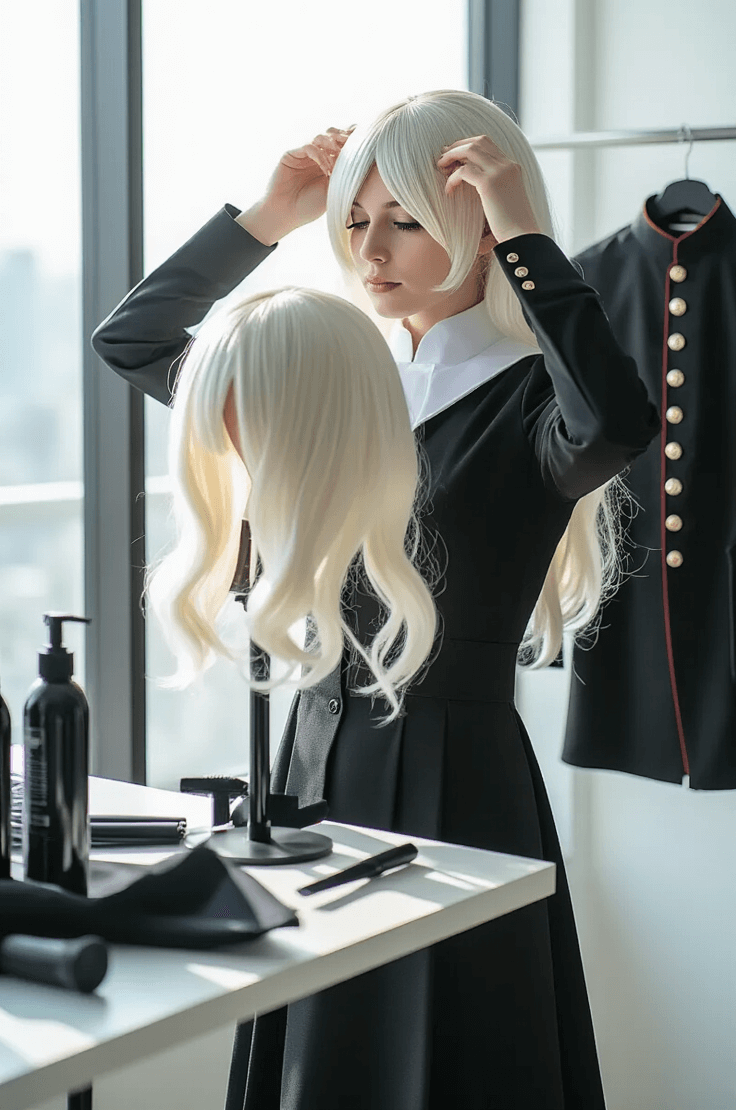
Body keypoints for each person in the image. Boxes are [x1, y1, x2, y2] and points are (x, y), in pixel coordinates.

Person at [92, 88, 660, 1110]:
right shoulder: (326, 384)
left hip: (460, 775)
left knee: (456, 1052)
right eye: (356, 220)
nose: (371, 247)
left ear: (477, 230)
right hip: (309, 760)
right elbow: (133, 343)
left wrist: (525, 230)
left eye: (404, 219)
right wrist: (267, 214)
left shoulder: (535, 397)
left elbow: (617, 422)